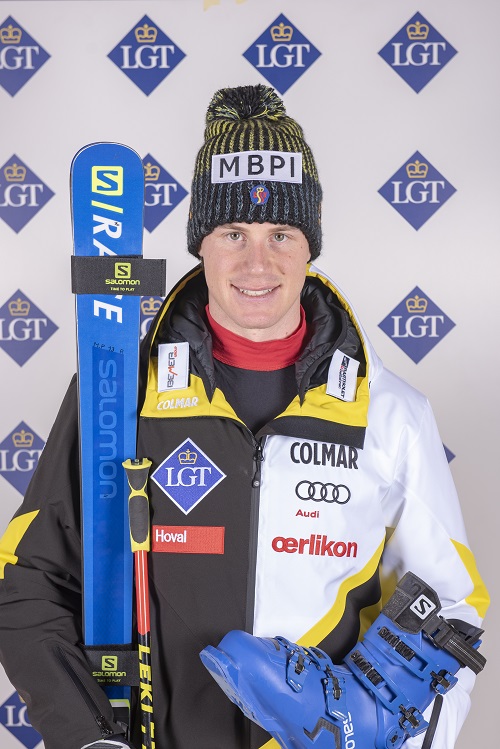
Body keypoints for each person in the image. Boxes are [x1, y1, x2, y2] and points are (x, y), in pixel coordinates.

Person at [0, 84, 489, 749]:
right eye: (234, 233)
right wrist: (89, 737)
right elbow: (28, 581)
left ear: (310, 246)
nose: (258, 262)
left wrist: (387, 740)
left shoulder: (390, 413)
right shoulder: (118, 392)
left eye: (281, 233)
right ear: (201, 243)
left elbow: (453, 610)